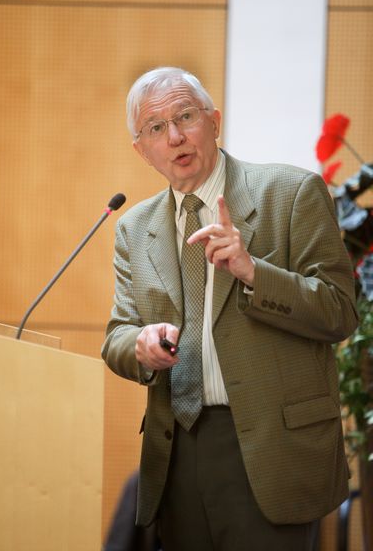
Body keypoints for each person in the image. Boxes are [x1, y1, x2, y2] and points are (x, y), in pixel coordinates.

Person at [102, 66, 358, 551]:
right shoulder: (134, 228)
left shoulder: (291, 193)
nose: (175, 135)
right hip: (178, 448)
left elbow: (340, 312)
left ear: (214, 121)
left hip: (270, 448)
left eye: (186, 116)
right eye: (156, 127)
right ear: (142, 149)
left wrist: (252, 271)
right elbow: (117, 332)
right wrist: (138, 345)